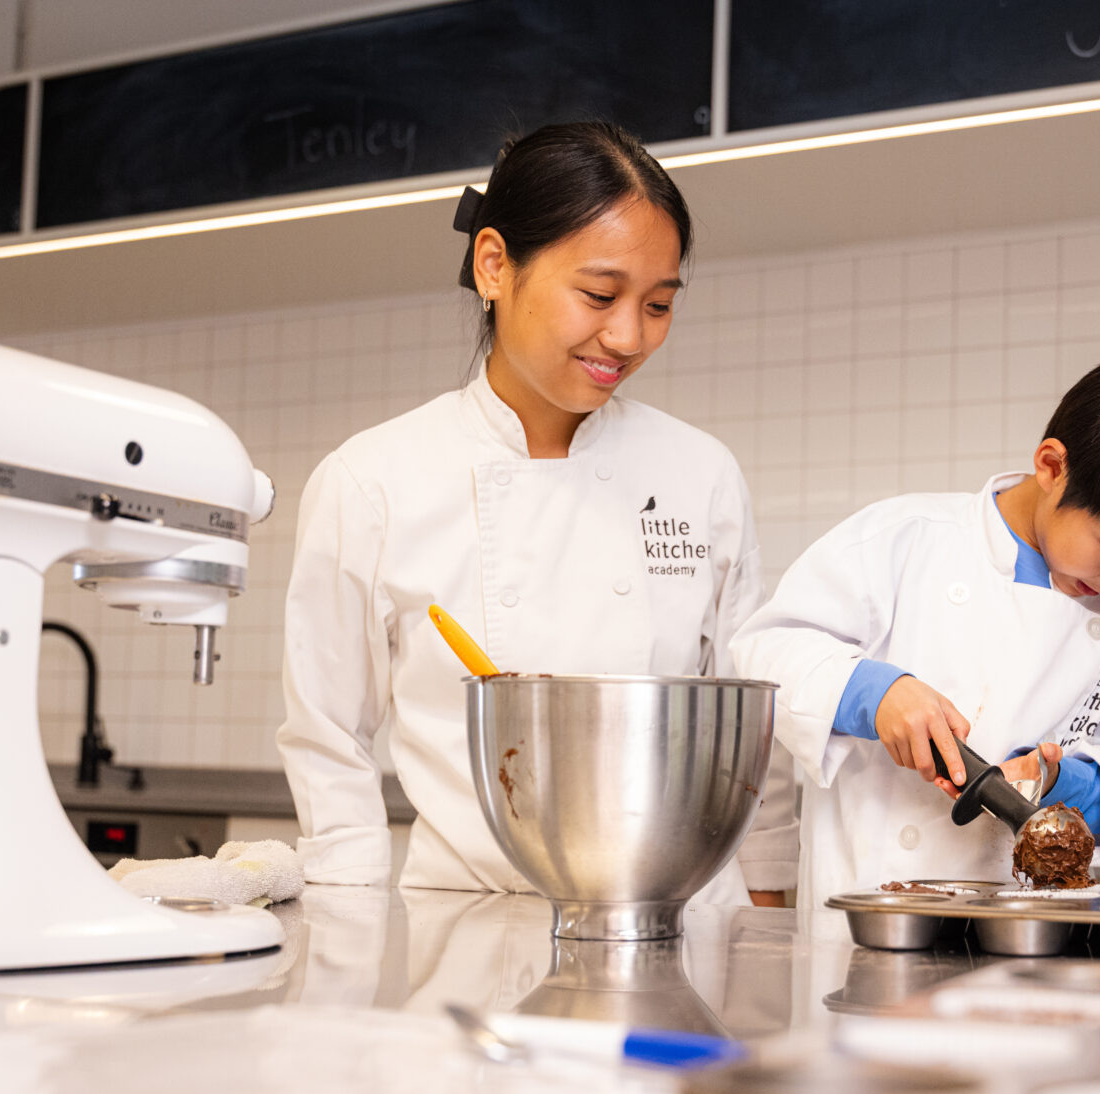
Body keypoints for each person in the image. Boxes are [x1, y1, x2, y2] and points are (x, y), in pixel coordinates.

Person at [279, 121, 794, 902]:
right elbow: (327, 738)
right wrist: (347, 914)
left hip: (679, 926)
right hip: (469, 928)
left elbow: (753, 731)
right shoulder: (372, 481)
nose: (627, 336)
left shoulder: (700, 474)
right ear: (494, 265)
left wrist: (769, 905)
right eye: (599, 294)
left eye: (658, 304)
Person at [730, 351, 1100, 908]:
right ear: (1053, 468)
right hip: (863, 915)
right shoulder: (907, 540)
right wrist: (872, 693)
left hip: (1030, 935)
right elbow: (768, 650)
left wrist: (1070, 785)